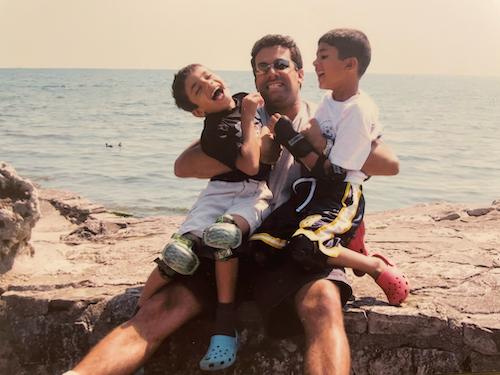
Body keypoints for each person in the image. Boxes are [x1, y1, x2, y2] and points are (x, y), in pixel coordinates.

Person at [63, 34, 399, 375]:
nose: (271, 72)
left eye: (281, 64)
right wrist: (250, 153)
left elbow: (389, 163)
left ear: (300, 74)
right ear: (255, 79)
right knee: (162, 307)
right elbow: (185, 165)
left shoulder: (325, 120)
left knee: (323, 302)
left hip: (290, 246)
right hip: (231, 243)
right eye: (262, 67)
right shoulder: (241, 119)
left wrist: (315, 143)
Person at [249, 28, 410, 306]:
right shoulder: (328, 102)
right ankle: (348, 239)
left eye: (323, 57)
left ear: (350, 64)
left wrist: (293, 140)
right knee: (262, 243)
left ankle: (375, 267)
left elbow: (333, 173)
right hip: (312, 191)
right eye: (316, 57)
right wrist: (294, 137)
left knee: (306, 246)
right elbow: (313, 139)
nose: (315, 64)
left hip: (340, 193)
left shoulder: (358, 110)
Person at [139, 63, 276, 371]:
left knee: (223, 238)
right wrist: (251, 121)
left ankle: (224, 328)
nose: (209, 83)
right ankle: (135, 312)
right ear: (198, 112)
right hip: (224, 191)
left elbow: (267, 134)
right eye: (198, 89)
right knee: (178, 253)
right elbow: (251, 163)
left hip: (255, 193)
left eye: (208, 76)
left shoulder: (244, 98)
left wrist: (264, 125)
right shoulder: (215, 133)